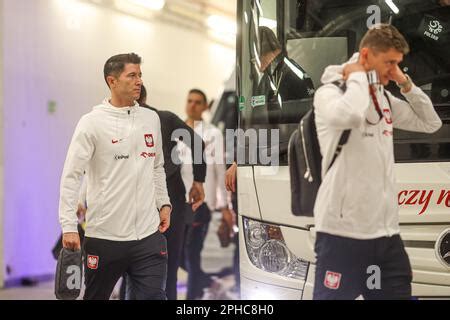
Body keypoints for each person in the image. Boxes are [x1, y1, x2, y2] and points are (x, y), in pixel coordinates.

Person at [312, 24, 442, 300]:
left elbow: (430, 123)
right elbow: (350, 115)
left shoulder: (383, 98)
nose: (393, 68)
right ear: (367, 55)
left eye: (397, 63)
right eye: (389, 62)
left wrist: (405, 83)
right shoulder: (329, 93)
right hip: (341, 235)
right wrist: (359, 75)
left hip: (385, 235)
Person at [59, 53, 172, 300]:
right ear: (112, 81)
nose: (138, 81)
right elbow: (71, 175)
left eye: (140, 75)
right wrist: (68, 226)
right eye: (132, 75)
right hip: (104, 238)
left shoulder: (150, 118)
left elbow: (157, 167)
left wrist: (163, 203)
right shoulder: (91, 123)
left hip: (148, 237)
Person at [123, 85, 206, 300]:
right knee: (165, 267)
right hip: (166, 199)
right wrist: (198, 181)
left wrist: (198, 180)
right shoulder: (164, 118)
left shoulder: (125, 123)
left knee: (133, 267)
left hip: (152, 200)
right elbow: (197, 142)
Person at [178, 89, 233, 300]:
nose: (192, 105)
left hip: (202, 204)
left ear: (204, 107)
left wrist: (225, 207)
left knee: (192, 254)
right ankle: (207, 281)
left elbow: (220, 170)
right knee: (179, 255)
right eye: (189, 101)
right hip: (176, 203)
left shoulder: (213, 134)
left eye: (197, 102)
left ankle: (193, 299)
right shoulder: (176, 130)